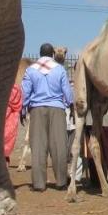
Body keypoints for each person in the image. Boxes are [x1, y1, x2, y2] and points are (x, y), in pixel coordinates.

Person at [20, 43, 73, 191]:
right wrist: (71, 104)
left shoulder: (30, 70)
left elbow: (25, 92)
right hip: (57, 108)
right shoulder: (60, 70)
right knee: (59, 146)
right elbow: (67, 91)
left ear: (40, 53)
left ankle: (39, 184)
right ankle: (61, 182)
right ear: (52, 54)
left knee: (37, 146)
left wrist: (22, 109)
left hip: (37, 109)